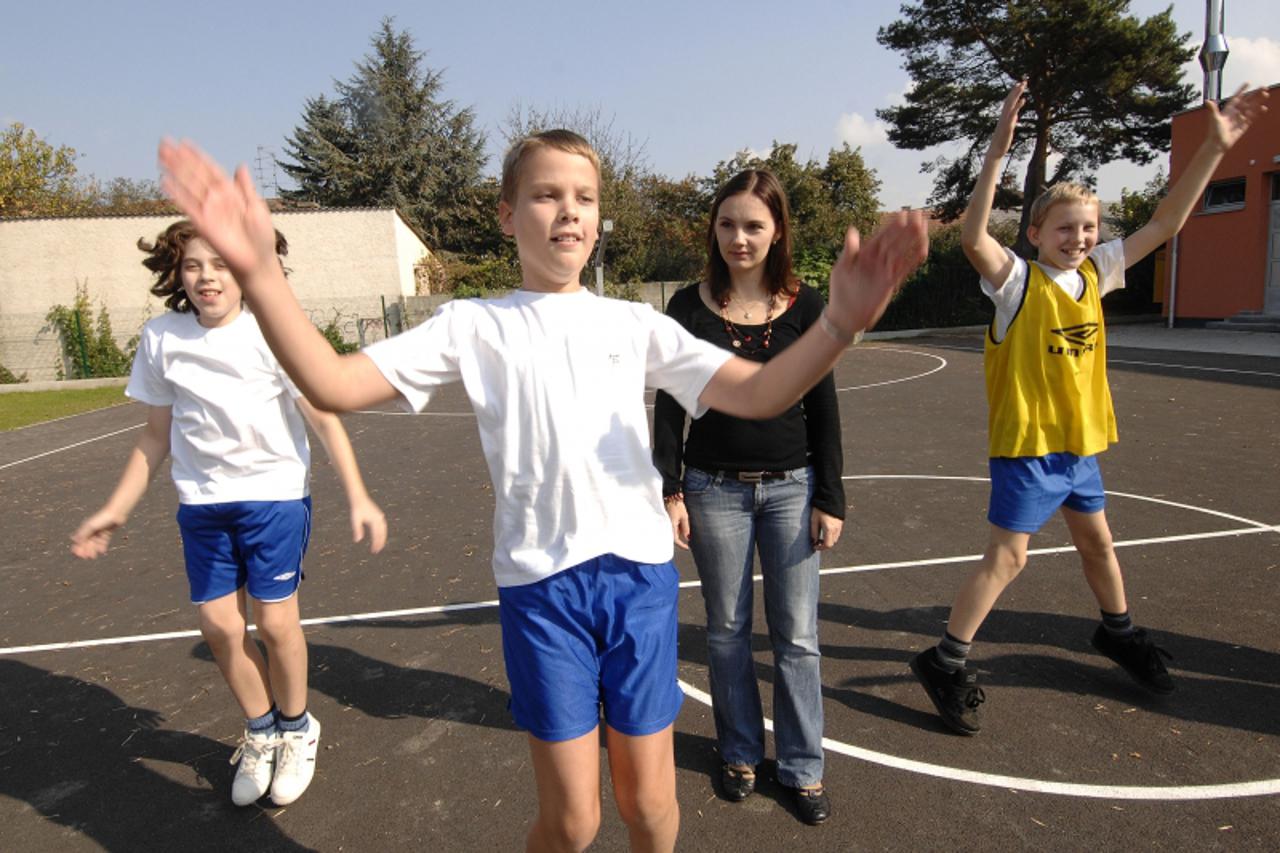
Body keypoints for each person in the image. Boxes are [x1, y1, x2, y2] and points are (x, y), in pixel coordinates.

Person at [156, 129, 926, 851]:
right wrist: (258, 273)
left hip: (639, 583)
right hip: (543, 591)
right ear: (507, 214)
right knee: (574, 820)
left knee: (651, 808)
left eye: (584, 198)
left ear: (599, 220)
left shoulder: (637, 324)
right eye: (546, 194)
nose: (568, 211)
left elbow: (759, 394)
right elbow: (330, 380)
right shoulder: (473, 325)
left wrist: (839, 328)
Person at [910, 80, 1269, 736]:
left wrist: (1214, 149)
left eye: (1089, 228)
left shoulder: (1097, 274)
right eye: (1066, 228)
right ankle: (944, 657)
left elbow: (1166, 222)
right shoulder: (1017, 282)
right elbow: (970, 236)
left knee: (1099, 542)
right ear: (1036, 231)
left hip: (1079, 446)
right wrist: (996, 154)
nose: (1079, 237)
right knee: (1009, 558)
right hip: (1028, 446)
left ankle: (1119, 631)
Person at [71, 220, 388, 807]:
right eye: (193, 265)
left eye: (221, 264)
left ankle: (297, 728)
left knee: (274, 624)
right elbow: (153, 437)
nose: (207, 276)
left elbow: (323, 416)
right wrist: (115, 509)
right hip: (203, 505)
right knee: (218, 626)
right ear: (176, 274)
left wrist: (358, 493)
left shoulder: (272, 333)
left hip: (273, 497)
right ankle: (262, 728)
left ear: (246, 272)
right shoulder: (162, 338)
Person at [652, 169, 844, 825]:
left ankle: (801, 766)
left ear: (778, 230)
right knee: (728, 632)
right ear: (714, 228)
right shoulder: (688, 306)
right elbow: (672, 408)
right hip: (711, 490)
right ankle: (738, 751)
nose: (740, 237)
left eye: (754, 225)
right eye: (728, 223)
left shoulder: (807, 305)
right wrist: (671, 486)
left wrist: (831, 497)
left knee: (798, 636)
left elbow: (824, 407)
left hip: (793, 489)